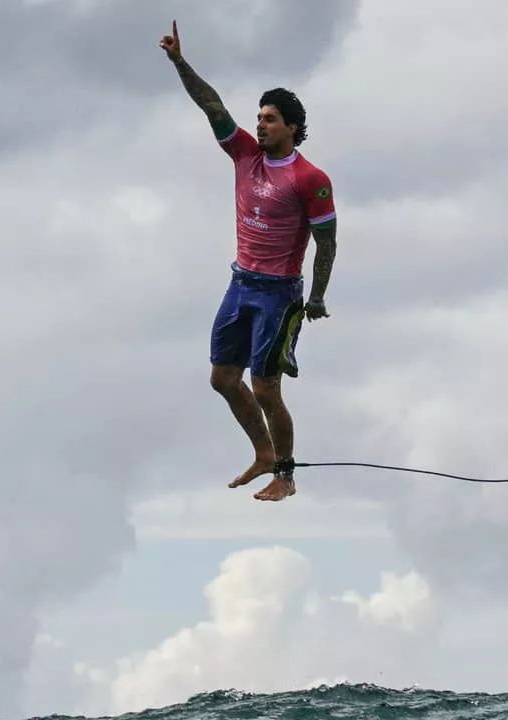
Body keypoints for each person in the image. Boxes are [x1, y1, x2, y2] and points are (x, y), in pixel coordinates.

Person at [160, 20, 338, 502]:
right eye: (259, 117)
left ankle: (285, 472)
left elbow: (327, 242)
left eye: (270, 119)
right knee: (222, 378)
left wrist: (317, 297)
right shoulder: (244, 154)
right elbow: (211, 105)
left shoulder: (310, 178)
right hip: (240, 283)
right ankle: (262, 453)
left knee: (265, 387)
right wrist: (179, 62)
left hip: (279, 294)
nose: (260, 124)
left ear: (292, 128)